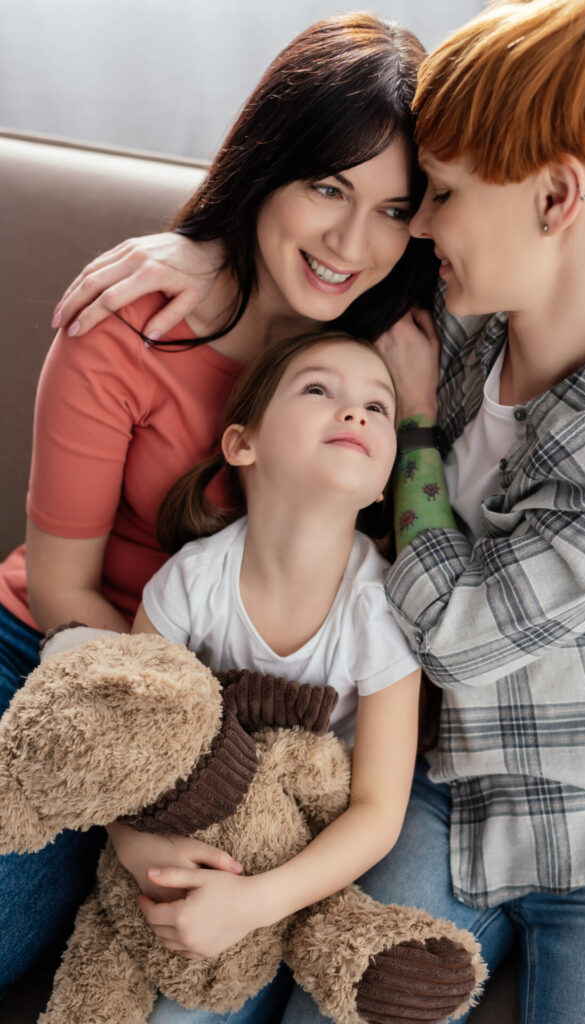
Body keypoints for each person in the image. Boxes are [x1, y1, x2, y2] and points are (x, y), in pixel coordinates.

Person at [54, 3, 585, 1023]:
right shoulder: (457, 310)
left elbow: (464, 632)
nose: (421, 224)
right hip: (439, 792)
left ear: (556, 197)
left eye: (444, 194)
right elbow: (313, 250)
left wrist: (423, 432)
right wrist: (203, 254)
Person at [0, 13, 439, 999]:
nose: (348, 240)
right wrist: (154, 778)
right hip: (55, 657)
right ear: (265, 167)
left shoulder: (393, 359)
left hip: (251, 737)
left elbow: (422, 580)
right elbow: (65, 584)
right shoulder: (133, 322)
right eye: (326, 186)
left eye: (390, 207)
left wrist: (413, 426)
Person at [130, 330, 423, 1019]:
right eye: (320, 390)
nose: (354, 413)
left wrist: (260, 902)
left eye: (377, 408)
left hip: (314, 861)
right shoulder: (191, 584)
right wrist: (147, 856)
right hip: (204, 844)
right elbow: (127, 742)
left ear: (384, 484)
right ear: (242, 444)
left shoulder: (380, 613)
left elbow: (379, 812)